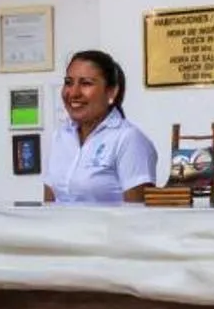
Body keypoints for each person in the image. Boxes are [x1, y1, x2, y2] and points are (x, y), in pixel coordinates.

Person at [44, 49, 161, 205]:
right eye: (68, 82)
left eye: (86, 83)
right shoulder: (60, 136)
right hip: (61, 229)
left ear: (111, 92)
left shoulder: (129, 139)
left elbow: (137, 219)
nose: (73, 92)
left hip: (108, 230)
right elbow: (47, 209)